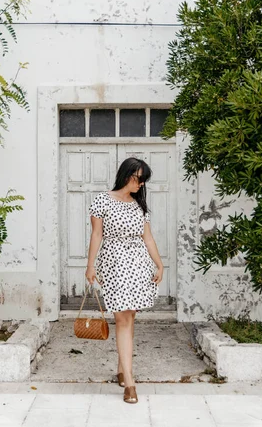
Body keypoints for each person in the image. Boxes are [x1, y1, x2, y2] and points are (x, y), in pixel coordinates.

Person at [85, 157, 164, 404]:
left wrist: (159, 264)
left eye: (143, 180)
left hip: (139, 264)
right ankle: (129, 382)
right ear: (127, 175)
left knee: (130, 316)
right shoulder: (103, 200)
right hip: (114, 264)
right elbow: (97, 234)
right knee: (122, 316)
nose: (141, 184)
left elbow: (148, 238)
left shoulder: (140, 205)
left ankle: (122, 368)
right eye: (138, 178)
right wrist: (90, 265)